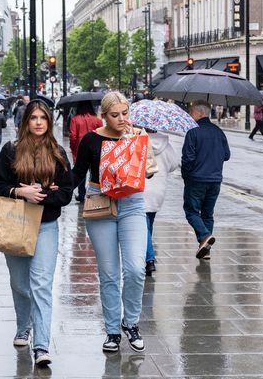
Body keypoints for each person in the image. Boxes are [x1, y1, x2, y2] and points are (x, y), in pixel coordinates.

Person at [0, 100, 73, 367]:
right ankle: (23, 325)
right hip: (15, 223)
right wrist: (20, 191)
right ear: (25, 121)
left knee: (41, 286)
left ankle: (41, 346)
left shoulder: (58, 153)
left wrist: (43, 195)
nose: (38, 122)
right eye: (33, 118)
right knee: (20, 284)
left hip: (46, 226)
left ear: (49, 122)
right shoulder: (10, 151)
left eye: (43, 118)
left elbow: (66, 193)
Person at [72, 91, 148, 354]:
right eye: (114, 115)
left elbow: (148, 169)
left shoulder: (138, 135)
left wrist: (134, 146)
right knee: (109, 274)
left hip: (132, 203)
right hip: (100, 202)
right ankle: (113, 330)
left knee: (136, 269)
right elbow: (77, 174)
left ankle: (132, 322)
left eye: (125, 113)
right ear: (103, 116)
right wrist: (54, 191)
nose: (121, 119)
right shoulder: (91, 140)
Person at [182, 100, 230, 260]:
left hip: (196, 179)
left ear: (199, 113)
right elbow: (227, 155)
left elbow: (187, 159)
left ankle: (204, 236)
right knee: (207, 214)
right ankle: (205, 250)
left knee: (191, 211)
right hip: (215, 180)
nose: (190, 115)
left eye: (191, 112)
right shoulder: (218, 131)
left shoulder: (193, 132)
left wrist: (186, 176)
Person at [143, 129, 180, 276]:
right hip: (158, 190)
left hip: (142, 188)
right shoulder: (166, 144)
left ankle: (149, 259)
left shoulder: (138, 141)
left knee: (142, 226)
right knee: (148, 224)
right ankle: (146, 254)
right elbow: (174, 164)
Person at [69, 101, 103, 202]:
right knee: (95, 172)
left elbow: (73, 136)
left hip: (80, 150)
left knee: (80, 173)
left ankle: (81, 194)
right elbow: (101, 133)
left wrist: (73, 148)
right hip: (96, 150)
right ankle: (94, 193)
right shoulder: (97, 120)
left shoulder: (75, 120)